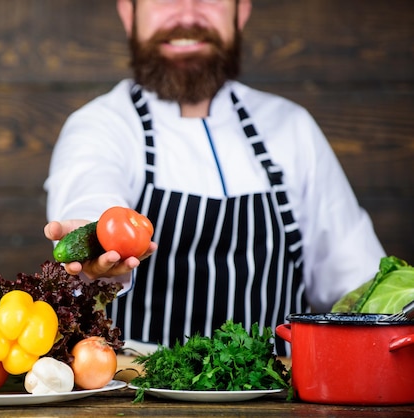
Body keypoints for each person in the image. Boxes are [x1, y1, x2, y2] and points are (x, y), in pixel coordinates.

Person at [43, 0, 385, 355]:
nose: (188, 15)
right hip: (136, 395)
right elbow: (92, 190)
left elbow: (360, 283)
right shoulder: (100, 126)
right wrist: (96, 237)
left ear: (242, 11)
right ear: (129, 13)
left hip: (275, 393)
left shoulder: (292, 129)